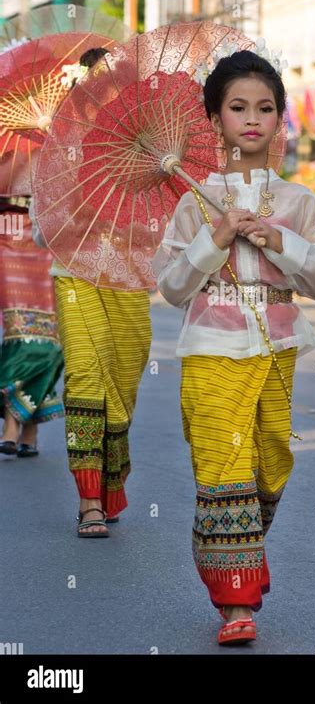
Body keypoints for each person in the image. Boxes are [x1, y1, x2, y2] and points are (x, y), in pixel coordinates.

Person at [153, 48, 315, 645]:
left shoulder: (299, 203)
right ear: (215, 120)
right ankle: (234, 600)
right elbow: (170, 286)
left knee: (271, 457)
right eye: (237, 106)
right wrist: (213, 239)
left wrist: (278, 239)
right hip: (212, 347)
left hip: (277, 348)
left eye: (265, 107)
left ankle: (234, 549)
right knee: (222, 465)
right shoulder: (194, 201)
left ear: (279, 119)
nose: (252, 118)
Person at [31, 48, 152, 537]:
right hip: (75, 274)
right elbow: (45, 227)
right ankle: (88, 502)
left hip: (128, 278)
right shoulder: (60, 146)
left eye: (115, 85)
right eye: (96, 85)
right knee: (84, 380)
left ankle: (109, 481)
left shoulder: (150, 150)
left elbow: (162, 223)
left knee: (123, 384)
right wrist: (72, 192)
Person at [0, 185, 64, 457]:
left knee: (52, 339)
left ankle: (29, 428)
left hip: (47, 234)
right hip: (7, 236)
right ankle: (15, 424)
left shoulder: (58, 144)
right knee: (19, 331)